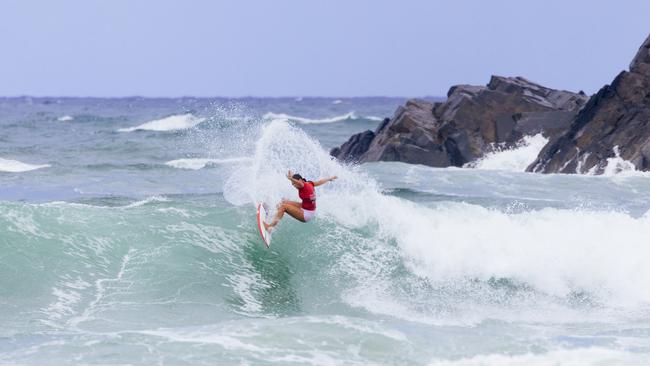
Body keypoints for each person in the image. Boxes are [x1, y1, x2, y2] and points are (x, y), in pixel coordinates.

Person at [264, 170, 337, 231]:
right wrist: (329, 178)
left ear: (300, 181)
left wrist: (291, 179)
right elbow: (319, 182)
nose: (294, 186)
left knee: (283, 207)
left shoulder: (303, 186)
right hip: (305, 207)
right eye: (293, 184)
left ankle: (270, 227)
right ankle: (270, 214)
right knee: (283, 201)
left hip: (307, 214)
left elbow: (300, 183)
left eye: (294, 184)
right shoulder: (309, 183)